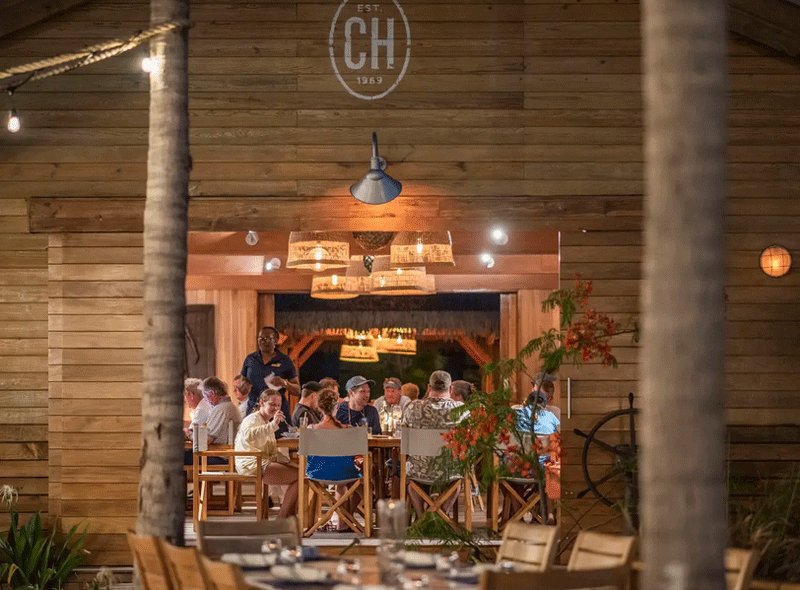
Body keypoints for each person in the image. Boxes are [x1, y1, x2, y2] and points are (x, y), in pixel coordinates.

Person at [401, 370, 464, 516]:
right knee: (457, 481)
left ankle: (422, 517)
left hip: (418, 469)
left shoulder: (412, 407)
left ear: (429, 387)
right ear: (450, 389)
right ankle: (440, 516)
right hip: (449, 470)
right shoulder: (460, 409)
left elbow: (403, 434)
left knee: (412, 482)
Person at [234, 390, 298, 519]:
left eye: (278, 405)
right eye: (272, 404)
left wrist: (287, 462)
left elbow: (270, 449)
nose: (276, 408)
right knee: (299, 477)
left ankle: (289, 517)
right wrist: (274, 424)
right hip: (252, 463)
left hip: (262, 461)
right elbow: (250, 435)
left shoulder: (266, 422)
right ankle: (283, 518)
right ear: (261, 403)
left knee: (301, 474)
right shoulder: (252, 419)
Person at [306, 387, 363, 532]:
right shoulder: (347, 429)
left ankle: (338, 522)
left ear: (319, 407)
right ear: (337, 406)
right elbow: (357, 453)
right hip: (344, 472)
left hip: (316, 472)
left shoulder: (311, 429)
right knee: (357, 484)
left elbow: (305, 454)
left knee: (344, 482)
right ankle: (345, 522)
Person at [240, 326, 300, 428]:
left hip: (276, 411)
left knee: (278, 437)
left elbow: (297, 390)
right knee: (254, 437)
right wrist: (244, 386)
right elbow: (242, 383)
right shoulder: (250, 359)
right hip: (254, 410)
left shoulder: (285, 360)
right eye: (260, 338)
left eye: (267, 339)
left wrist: (284, 383)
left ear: (275, 341)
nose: (263, 342)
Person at [203, 376, 242, 445]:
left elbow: (205, 440)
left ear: (212, 393)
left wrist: (189, 435)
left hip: (222, 451)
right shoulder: (228, 406)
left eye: (205, 396)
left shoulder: (222, 408)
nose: (205, 400)